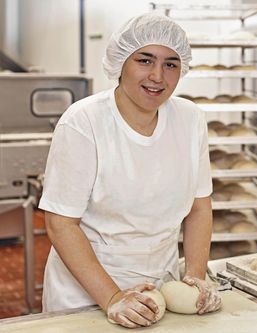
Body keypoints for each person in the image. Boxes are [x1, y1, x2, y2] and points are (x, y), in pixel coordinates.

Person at [38, 13, 221, 328]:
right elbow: (60, 223)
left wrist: (194, 277)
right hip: (87, 291)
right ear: (121, 62)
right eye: (145, 60)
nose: (158, 77)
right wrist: (112, 297)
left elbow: (199, 206)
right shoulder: (85, 122)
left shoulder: (190, 120)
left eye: (171, 64)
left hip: (160, 288)